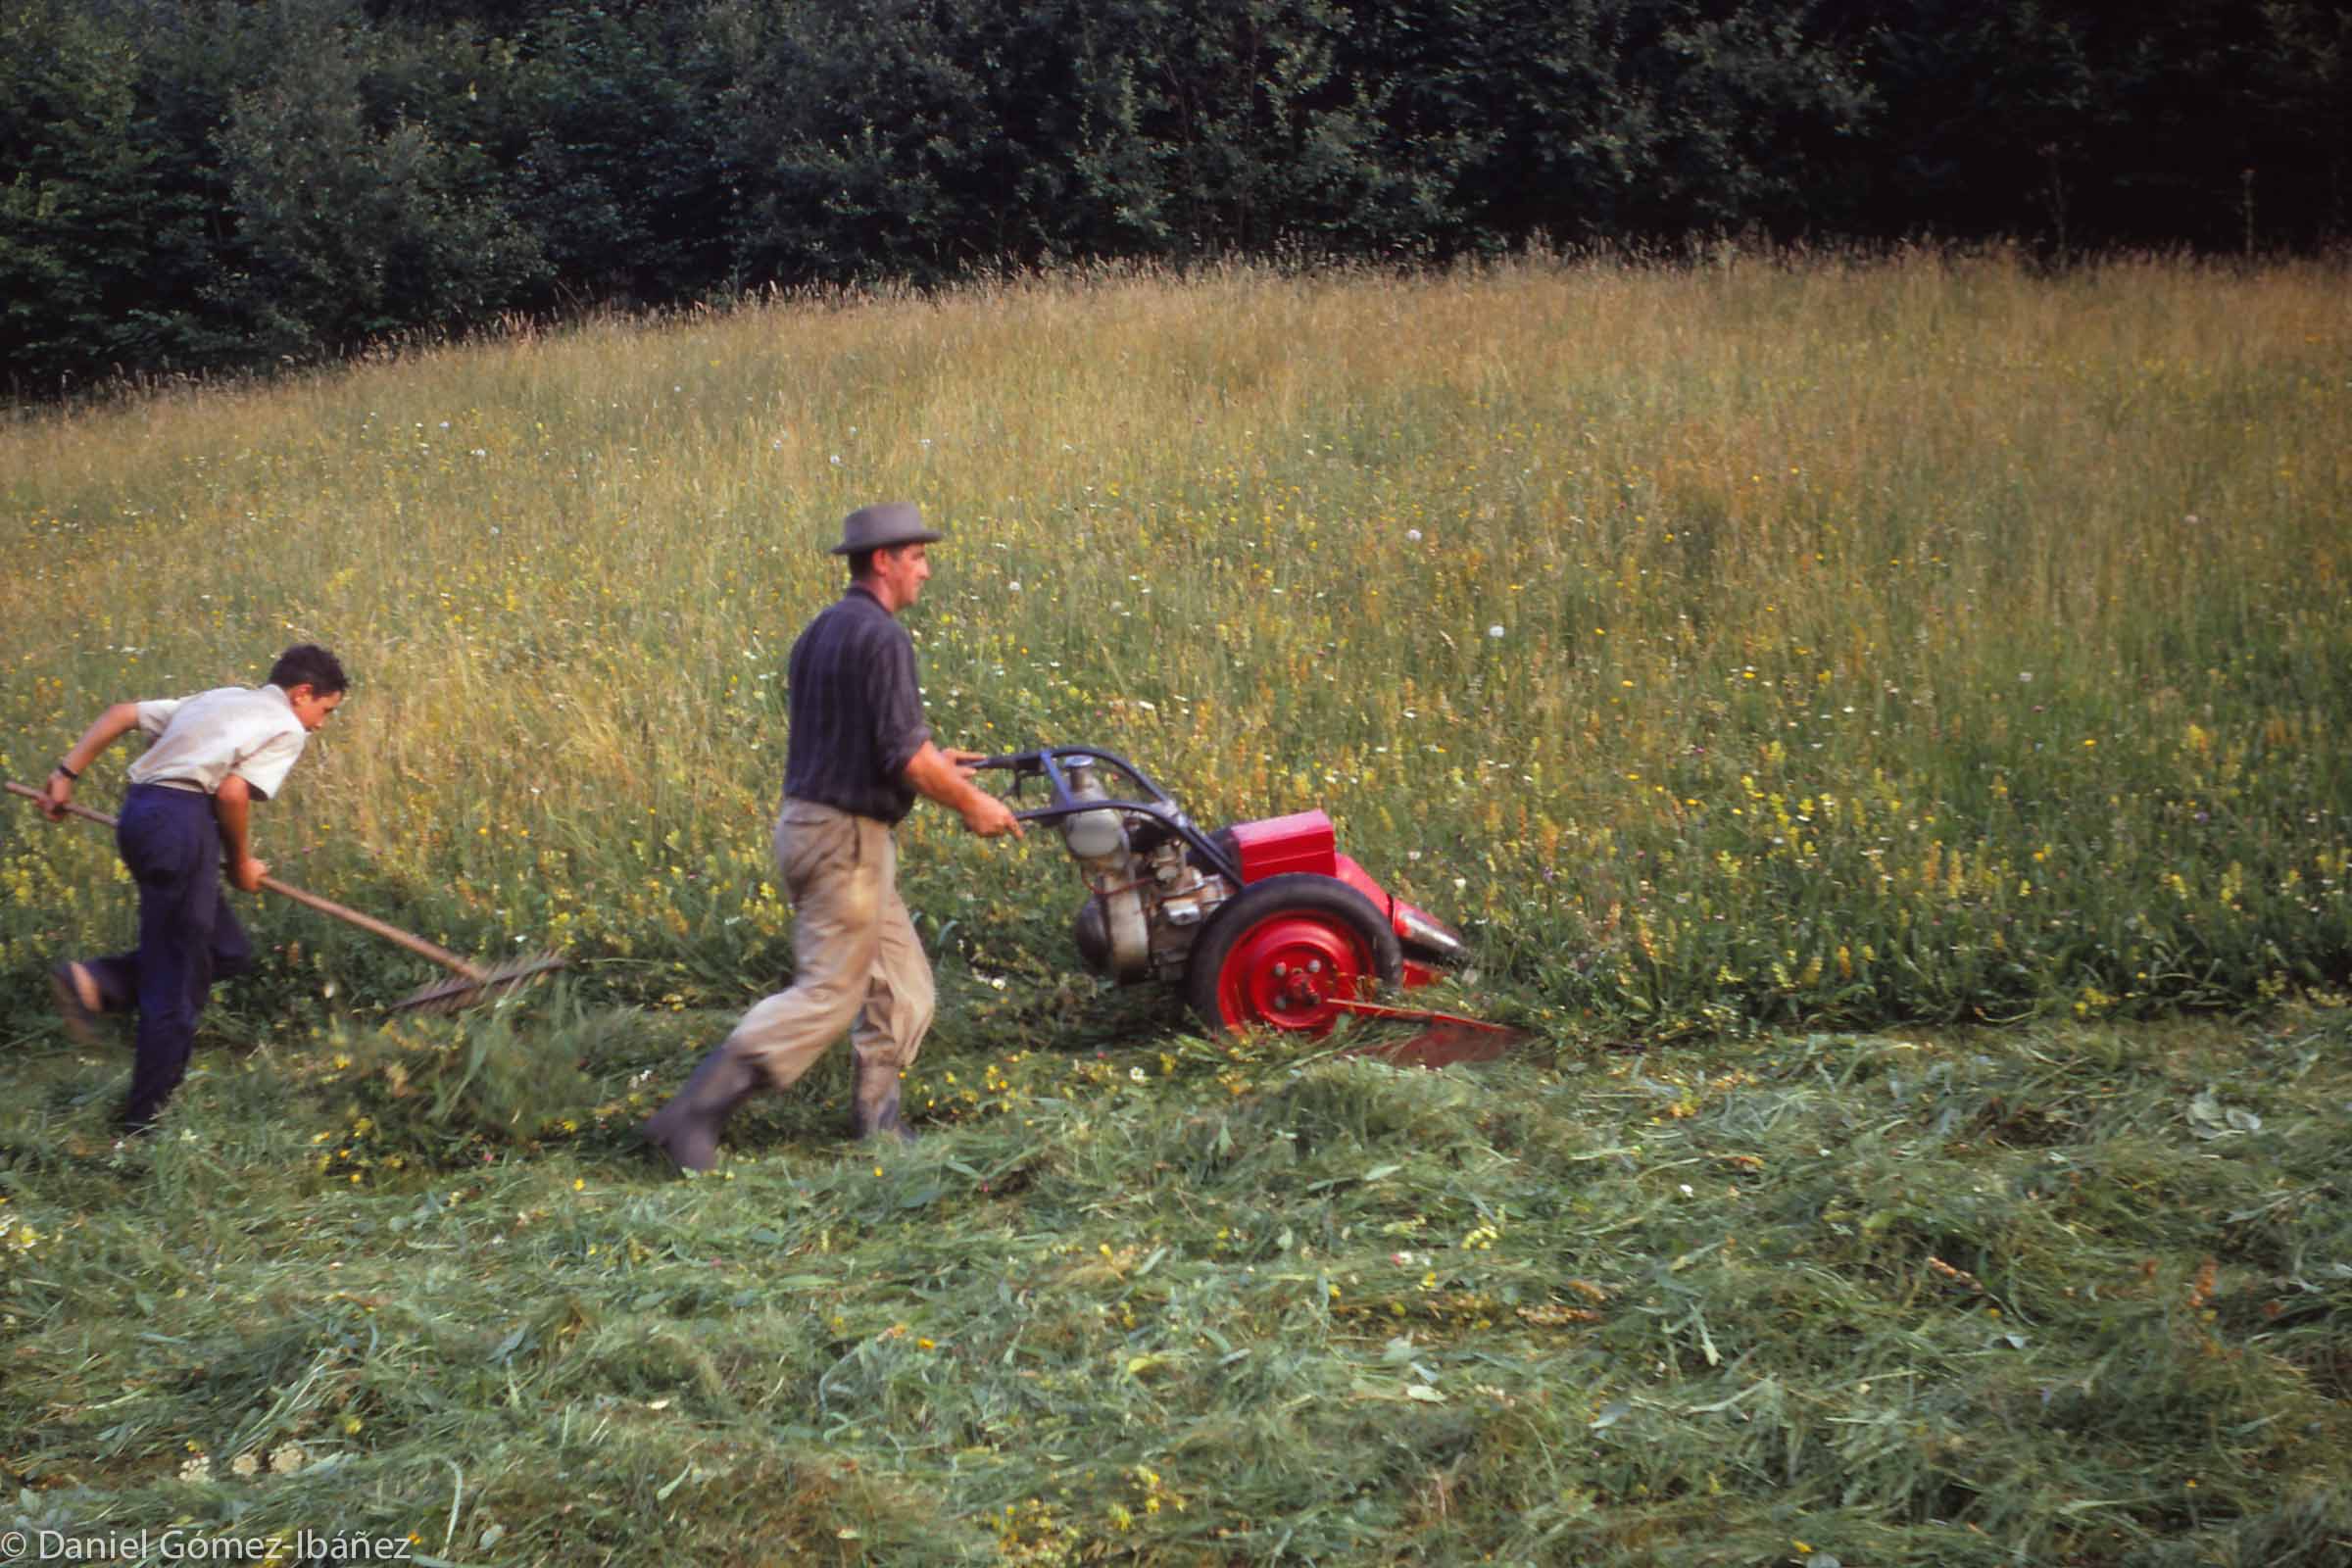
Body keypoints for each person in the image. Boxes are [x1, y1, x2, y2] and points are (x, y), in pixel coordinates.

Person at [641, 502, 1021, 1170]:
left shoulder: (822, 631)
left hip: (831, 833)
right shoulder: (882, 638)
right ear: (884, 560)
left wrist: (939, 762)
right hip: (843, 844)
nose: (926, 572)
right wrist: (973, 804)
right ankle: (692, 1116)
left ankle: (877, 1122)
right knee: (829, 993)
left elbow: (864, 739)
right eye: (918, 557)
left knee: (904, 988)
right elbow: (903, 758)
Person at [38, 644, 349, 1134]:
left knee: (225, 951)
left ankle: (100, 983)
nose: (319, 724)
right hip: (182, 825)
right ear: (302, 694)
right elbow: (230, 792)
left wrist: (65, 773)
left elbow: (122, 714)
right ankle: (142, 1128)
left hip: (141, 817)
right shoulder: (286, 726)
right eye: (324, 710)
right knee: (177, 983)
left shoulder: (220, 698)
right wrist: (242, 863)